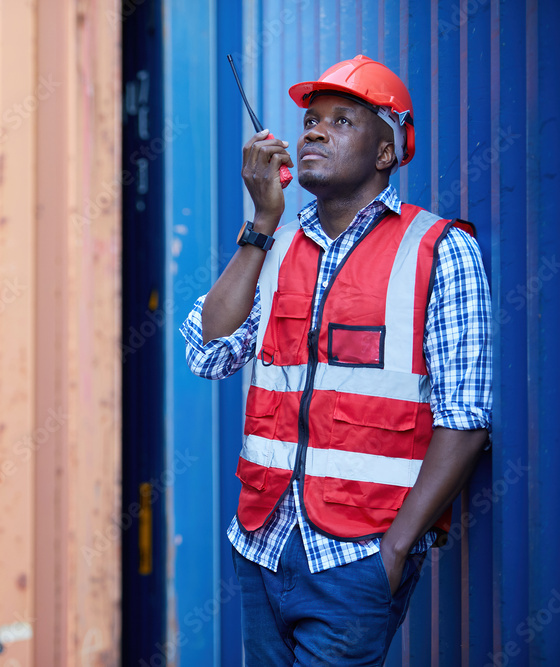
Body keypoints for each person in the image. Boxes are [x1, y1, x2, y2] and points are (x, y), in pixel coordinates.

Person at [180, 55, 491, 664]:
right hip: (261, 544)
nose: (315, 131)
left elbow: (465, 419)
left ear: (385, 152)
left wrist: (396, 551)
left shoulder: (440, 250)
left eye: (342, 120)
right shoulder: (274, 243)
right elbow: (207, 352)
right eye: (312, 121)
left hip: (359, 560)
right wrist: (261, 223)